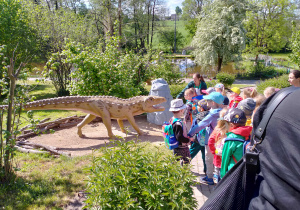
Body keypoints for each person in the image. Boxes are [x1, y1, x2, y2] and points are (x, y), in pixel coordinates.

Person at [188, 92, 224, 185]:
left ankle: (209, 178)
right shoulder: (224, 112)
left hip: (211, 141)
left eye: (208, 100)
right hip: (222, 140)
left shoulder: (212, 115)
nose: (206, 101)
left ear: (213, 103)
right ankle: (219, 176)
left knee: (209, 159)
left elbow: (201, 125)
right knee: (220, 158)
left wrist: (190, 134)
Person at [220, 108, 252, 178]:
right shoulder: (250, 134)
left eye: (226, 124)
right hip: (246, 172)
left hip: (233, 173)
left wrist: (222, 178)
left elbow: (225, 161)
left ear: (231, 125)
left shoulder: (231, 139)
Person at [208, 108, 229, 184]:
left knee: (218, 175)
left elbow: (210, 141)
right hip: (228, 159)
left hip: (218, 158)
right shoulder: (231, 130)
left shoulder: (217, 130)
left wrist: (214, 151)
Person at [189, 99, 210, 175]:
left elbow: (193, 129)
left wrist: (190, 137)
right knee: (205, 156)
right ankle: (206, 170)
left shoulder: (197, 117)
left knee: (190, 153)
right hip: (207, 141)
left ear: (201, 108)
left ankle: (184, 165)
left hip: (197, 140)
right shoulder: (210, 116)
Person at [169, 99, 191, 165]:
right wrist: (188, 140)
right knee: (187, 159)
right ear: (181, 110)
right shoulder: (178, 123)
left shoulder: (172, 119)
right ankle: (183, 173)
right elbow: (179, 137)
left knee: (175, 160)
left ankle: (172, 171)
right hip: (182, 146)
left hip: (175, 145)